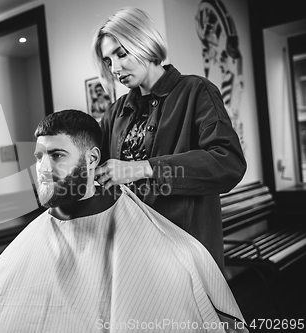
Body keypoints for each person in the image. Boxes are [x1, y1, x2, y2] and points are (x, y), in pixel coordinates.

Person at [0, 110, 248, 333]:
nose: (42, 168)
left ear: (93, 159)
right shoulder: (38, 232)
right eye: (39, 156)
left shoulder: (136, 227)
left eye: (56, 155)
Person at [91, 8, 246, 270]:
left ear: (145, 43)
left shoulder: (196, 91)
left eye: (121, 53)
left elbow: (228, 163)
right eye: (108, 61)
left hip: (185, 254)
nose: (115, 68)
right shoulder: (115, 112)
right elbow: (94, 169)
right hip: (131, 253)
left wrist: (142, 167)